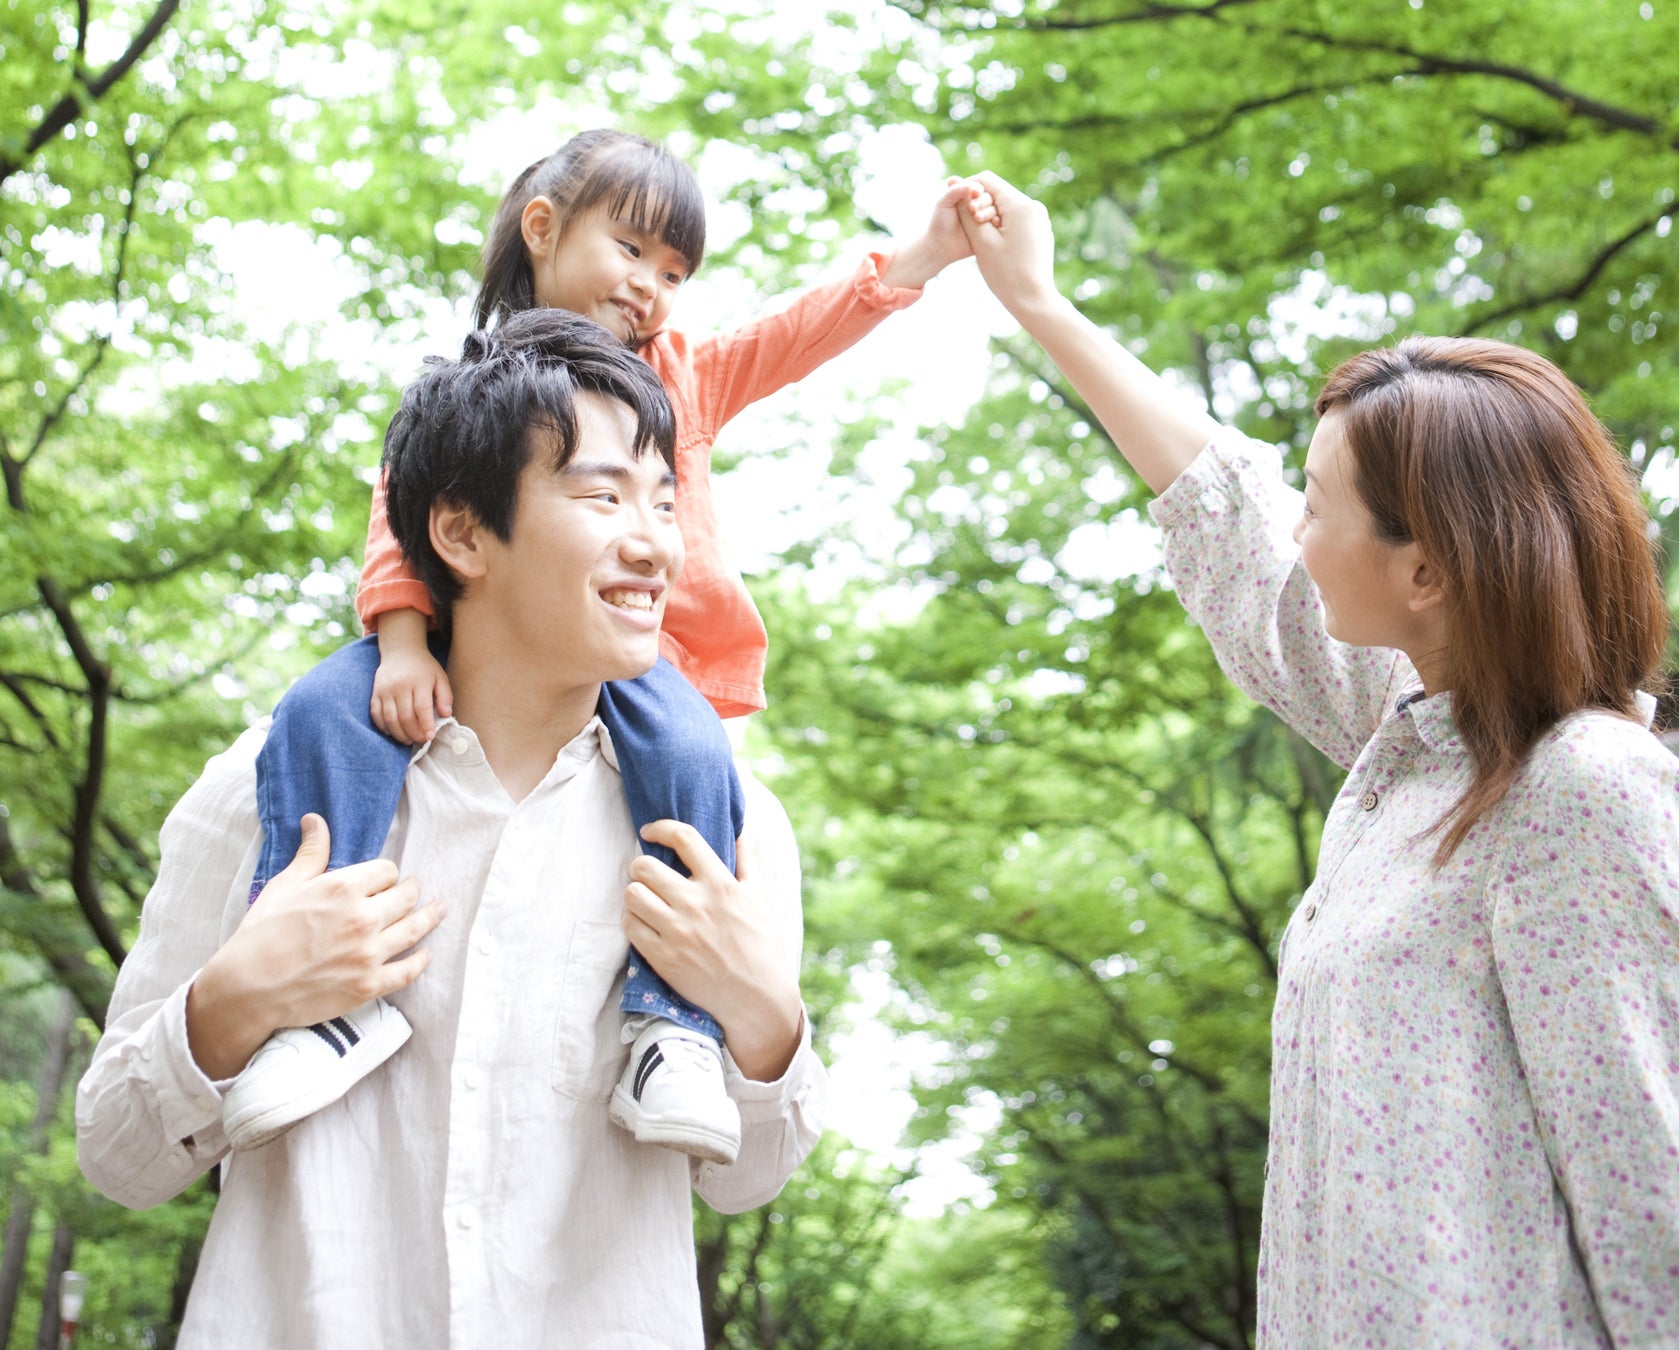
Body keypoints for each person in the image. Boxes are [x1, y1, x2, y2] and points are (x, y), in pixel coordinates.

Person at [956, 174, 1679, 1345]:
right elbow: (1224, 519)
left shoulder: (1582, 788)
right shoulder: (1416, 754)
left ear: (1425, 572)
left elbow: (1653, 1187)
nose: (1294, 532)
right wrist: (1039, 305)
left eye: (1317, 503)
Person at [229, 130, 993, 1164]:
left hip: (644, 663)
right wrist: (402, 642)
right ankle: (313, 994)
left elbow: (794, 332)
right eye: (630, 251)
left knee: (691, 755)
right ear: (541, 230)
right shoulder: (465, 383)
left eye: (674, 271)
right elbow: (398, 520)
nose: (651, 288)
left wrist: (921, 256)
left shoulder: (678, 374)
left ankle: (669, 1028)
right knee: (321, 712)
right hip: (457, 638)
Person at [77, 309, 823, 1347]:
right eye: (603, 495)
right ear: (460, 530)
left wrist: (760, 1014)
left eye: (665, 500)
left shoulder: (725, 827)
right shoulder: (268, 786)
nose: (656, 543)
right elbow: (116, 1156)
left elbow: (748, 1181)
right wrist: (234, 1000)